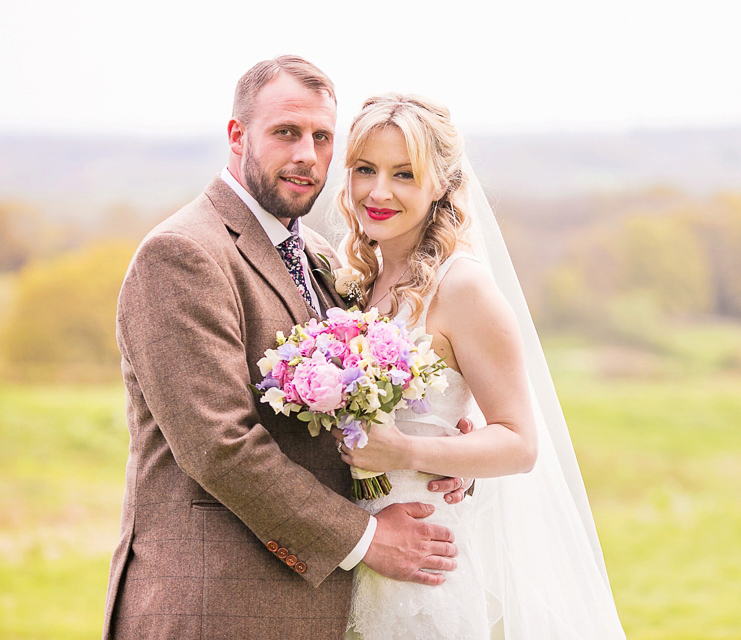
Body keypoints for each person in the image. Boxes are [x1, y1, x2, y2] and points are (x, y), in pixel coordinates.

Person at [102, 57, 470, 640]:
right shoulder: (183, 254)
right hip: (217, 606)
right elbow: (220, 446)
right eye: (285, 133)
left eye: (322, 137)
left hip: (313, 604)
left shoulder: (319, 254)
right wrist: (369, 539)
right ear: (236, 135)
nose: (306, 154)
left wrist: (440, 446)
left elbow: (358, 401)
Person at [332, 94, 625, 639]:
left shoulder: (462, 287)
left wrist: (408, 450)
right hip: (353, 559)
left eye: (404, 173)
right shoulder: (355, 281)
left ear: (440, 183)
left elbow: (519, 442)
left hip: (421, 567)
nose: (377, 191)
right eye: (364, 170)